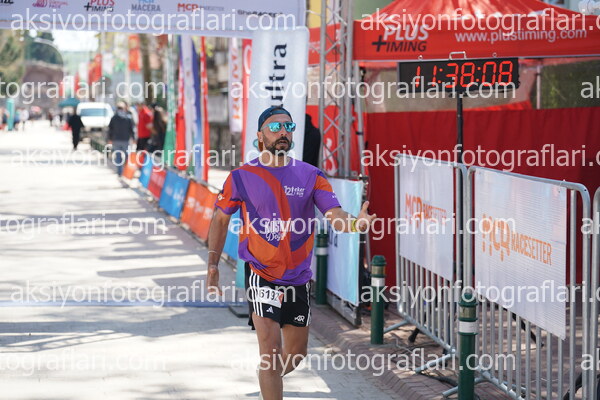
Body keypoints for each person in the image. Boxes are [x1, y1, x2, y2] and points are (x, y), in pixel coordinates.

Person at [206, 105, 376, 400]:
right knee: (270, 352)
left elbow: (334, 214)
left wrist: (354, 223)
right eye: (275, 127)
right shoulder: (241, 176)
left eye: (288, 126)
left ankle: (268, 376)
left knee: (296, 354)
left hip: (297, 277)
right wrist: (213, 265)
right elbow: (220, 220)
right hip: (261, 272)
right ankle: (269, 374)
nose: (283, 132)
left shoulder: (310, 175)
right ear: (260, 136)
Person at [107, 102, 135, 175]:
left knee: (118, 156)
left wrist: (110, 139)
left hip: (116, 140)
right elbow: (132, 129)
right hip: (125, 140)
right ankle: (124, 171)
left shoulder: (114, 118)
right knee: (126, 155)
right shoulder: (128, 118)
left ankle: (120, 171)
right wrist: (133, 138)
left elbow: (110, 129)